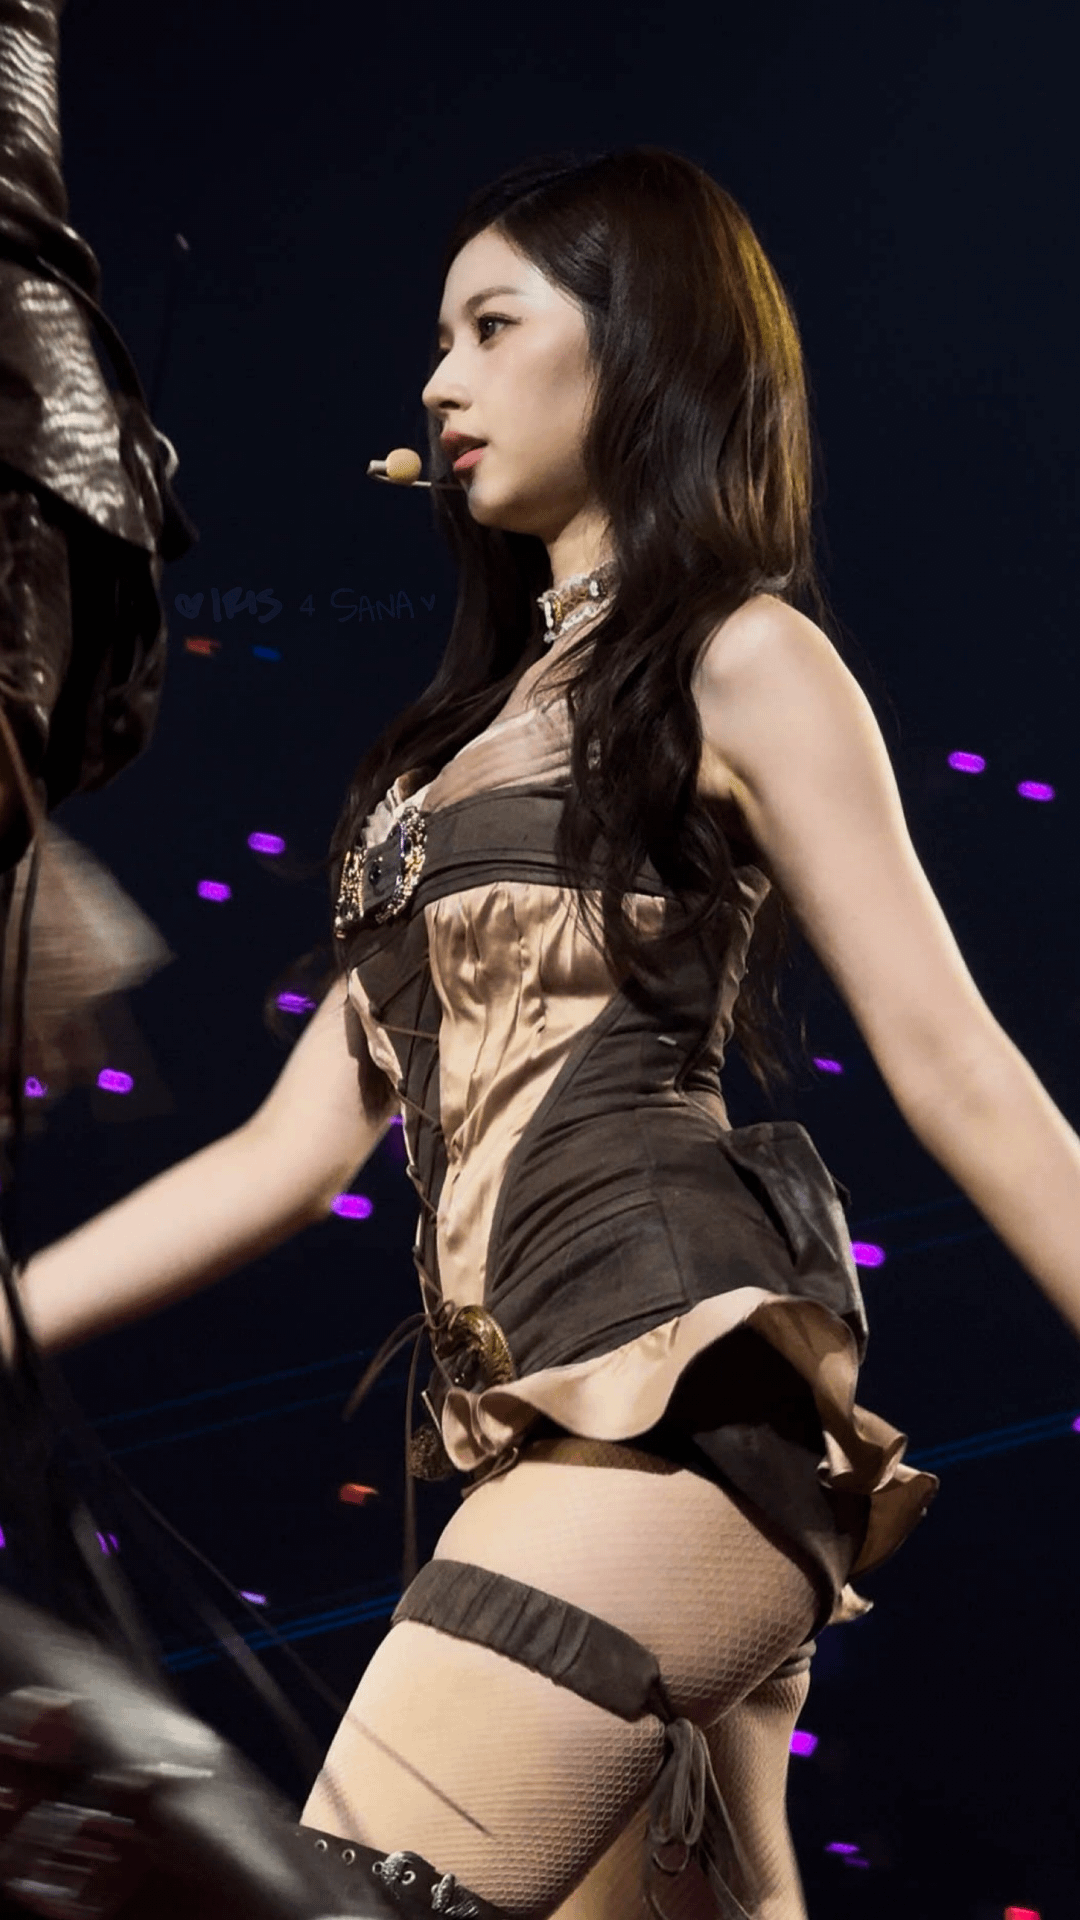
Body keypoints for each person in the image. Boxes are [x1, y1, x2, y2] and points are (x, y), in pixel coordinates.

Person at [8, 144, 1080, 1920]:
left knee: (325, 1896)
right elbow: (291, 1152)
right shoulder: (451, 755)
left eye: (493, 327)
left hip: (669, 1420)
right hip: (548, 1445)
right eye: (439, 340)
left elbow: (957, 1063)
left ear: (641, 343)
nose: (439, 382)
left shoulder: (743, 659)